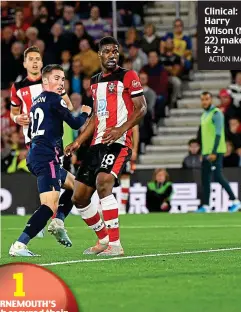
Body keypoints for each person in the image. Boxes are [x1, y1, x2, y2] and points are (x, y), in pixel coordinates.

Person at [65, 36, 147, 257]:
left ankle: (116, 245)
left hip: (117, 142)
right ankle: (102, 240)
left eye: (115, 51)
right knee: (79, 197)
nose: (112, 55)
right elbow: (94, 118)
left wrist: (121, 129)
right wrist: (78, 141)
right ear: (99, 54)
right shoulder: (95, 81)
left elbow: (141, 109)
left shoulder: (128, 76)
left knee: (103, 183)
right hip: (95, 144)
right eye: (108, 51)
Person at [9, 64, 91, 256]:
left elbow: (31, 131)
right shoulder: (55, 99)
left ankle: (58, 221)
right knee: (49, 205)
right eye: (56, 78)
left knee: (76, 187)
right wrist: (86, 111)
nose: (61, 82)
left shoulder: (37, 101)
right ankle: (20, 244)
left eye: (63, 79)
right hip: (46, 157)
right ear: (45, 81)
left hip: (38, 153)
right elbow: (75, 123)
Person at [196, 91, 241, 213]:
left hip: (215, 151)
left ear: (211, 100)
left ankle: (235, 201)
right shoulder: (204, 115)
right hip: (206, 151)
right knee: (205, 178)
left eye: (206, 99)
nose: (204, 101)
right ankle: (206, 205)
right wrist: (203, 151)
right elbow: (204, 136)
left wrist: (214, 152)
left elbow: (218, 134)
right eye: (202, 99)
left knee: (218, 176)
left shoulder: (216, 114)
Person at [118, 125, 139, 213]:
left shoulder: (130, 113)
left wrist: (134, 150)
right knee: (106, 177)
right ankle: (102, 205)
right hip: (111, 149)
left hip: (126, 150)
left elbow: (135, 130)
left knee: (125, 177)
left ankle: (122, 206)